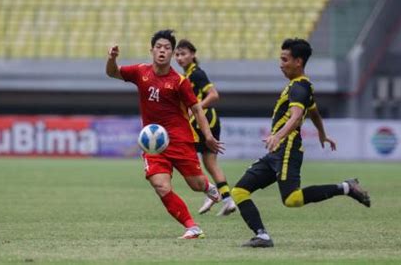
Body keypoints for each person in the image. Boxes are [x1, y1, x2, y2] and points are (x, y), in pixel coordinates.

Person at [231, 38, 371, 248]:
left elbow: (297, 117)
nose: (281, 63)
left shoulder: (300, 87)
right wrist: (323, 134)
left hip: (287, 149)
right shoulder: (299, 86)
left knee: (292, 199)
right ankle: (262, 236)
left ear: (298, 61)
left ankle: (346, 187)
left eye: (284, 59)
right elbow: (313, 112)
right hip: (276, 152)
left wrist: (278, 136)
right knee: (239, 191)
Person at [106, 29, 224, 239]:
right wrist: (112, 59)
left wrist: (208, 136)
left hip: (180, 139)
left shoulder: (179, 81)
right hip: (153, 143)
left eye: (167, 48)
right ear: (151, 50)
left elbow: (197, 110)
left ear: (171, 54)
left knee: (195, 184)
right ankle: (192, 227)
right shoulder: (140, 72)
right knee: (160, 185)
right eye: (159, 47)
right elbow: (112, 73)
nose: (162, 51)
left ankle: (207, 186)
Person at [174, 39, 236, 216]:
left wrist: (196, 109)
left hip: (203, 120)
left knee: (186, 155)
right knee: (210, 163)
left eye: (183, 53)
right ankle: (227, 200)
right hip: (212, 120)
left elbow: (214, 95)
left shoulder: (196, 74)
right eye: (177, 54)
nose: (179, 58)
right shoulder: (187, 75)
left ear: (193, 55)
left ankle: (209, 192)